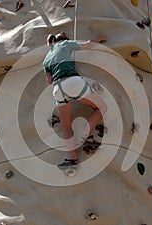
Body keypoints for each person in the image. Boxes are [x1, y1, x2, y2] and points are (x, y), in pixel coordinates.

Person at [43, 32, 108, 168]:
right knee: (101, 107)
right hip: (72, 82)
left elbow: (49, 80)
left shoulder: (46, 58)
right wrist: (100, 38)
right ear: (65, 39)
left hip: (57, 89)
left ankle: (73, 158)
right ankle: (85, 136)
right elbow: (88, 45)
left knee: (66, 125)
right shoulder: (65, 44)